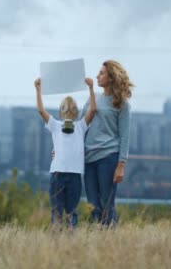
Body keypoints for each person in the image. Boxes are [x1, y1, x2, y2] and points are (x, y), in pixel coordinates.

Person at [34, 76, 96, 229]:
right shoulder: (55, 125)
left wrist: (91, 88)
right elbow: (41, 111)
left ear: (76, 111)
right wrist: (38, 90)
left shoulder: (81, 126)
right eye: (65, 108)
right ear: (61, 111)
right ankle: (56, 244)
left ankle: (70, 244)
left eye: (72, 108)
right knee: (56, 213)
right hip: (57, 175)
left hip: (74, 176)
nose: (69, 110)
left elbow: (93, 109)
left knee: (71, 213)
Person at [81, 60, 134, 227]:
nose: (97, 76)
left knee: (106, 203)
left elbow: (125, 137)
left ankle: (111, 240)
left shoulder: (123, 105)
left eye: (102, 73)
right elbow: (80, 126)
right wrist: (62, 149)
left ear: (111, 78)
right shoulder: (92, 99)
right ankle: (98, 239)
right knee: (92, 205)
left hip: (108, 158)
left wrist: (121, 166)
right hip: (88, 159)